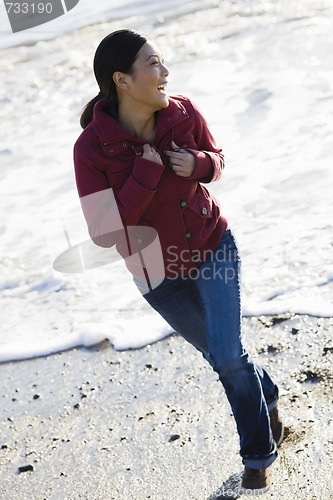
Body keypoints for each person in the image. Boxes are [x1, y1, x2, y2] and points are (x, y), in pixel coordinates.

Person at [73, 29, 284, 494]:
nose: (165, 73)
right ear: (122, 80)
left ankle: (257, 458)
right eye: (153, 64)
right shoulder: (91, 148)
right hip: (156, 275)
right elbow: (104, 233)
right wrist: (146, 174)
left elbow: (218, 157)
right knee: (223, 356)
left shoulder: (183, 111)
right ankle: (265, 395)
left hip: (213, 247)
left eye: (162, 61)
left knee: (228, 356)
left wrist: (202, 165)